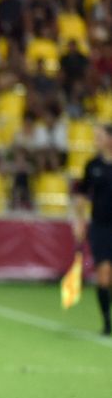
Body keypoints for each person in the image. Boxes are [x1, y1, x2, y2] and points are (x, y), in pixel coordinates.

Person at [73, 124, 112, 336]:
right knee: (104, 274)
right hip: (101, 227)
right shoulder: (92, 165)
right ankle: (107, 322)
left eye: (100, 136)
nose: (96, 140)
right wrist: (79, 221)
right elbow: (81, 194)